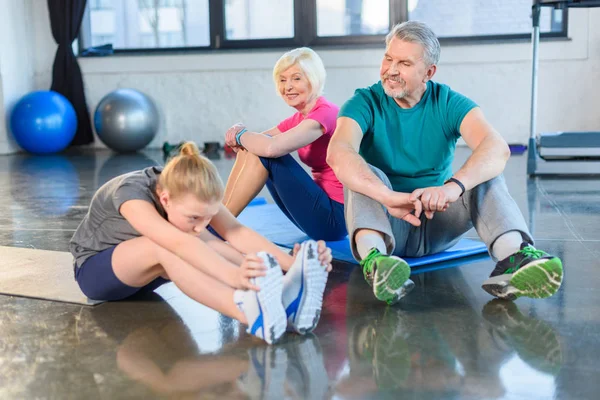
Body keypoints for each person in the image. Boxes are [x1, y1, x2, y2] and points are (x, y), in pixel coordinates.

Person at [326, 21, 563, 305]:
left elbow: (496, 148)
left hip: (438, 219)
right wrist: (387, 197)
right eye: (388, 58)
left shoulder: (448, 101)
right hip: (387, 222)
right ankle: (378, 263)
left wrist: (452, 188)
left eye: (403, 63)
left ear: (429, 72)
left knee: (485, 173)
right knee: (361, 172)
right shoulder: (364, 100)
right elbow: (338, 151)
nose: (390, 70)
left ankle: (514, 259)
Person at [69, 142, 332, 344]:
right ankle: (248, 312)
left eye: (206, 216)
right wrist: (235, 276)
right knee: (172, 242)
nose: (200, 223)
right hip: (98, 272)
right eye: (194, 216)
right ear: (164, 199)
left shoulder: (193, 191)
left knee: (205, 238)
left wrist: (292, 264)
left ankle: (287, 303)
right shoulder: (130, 195)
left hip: (146, 275)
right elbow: (179, 244)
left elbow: (235, 231)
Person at [223, 47, 347, 241]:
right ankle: (218, 217)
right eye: (282, 80)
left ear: (313, 79)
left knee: (266, 152)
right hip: (320, 211)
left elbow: (271, 148)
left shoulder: (326, 113)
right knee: (254, 148)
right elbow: (252, 144)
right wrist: (240, 134)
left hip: (335, 218)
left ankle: (219, 226)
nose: (288, 86)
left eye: (296, 78)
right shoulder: (300, 117)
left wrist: (241, 135)